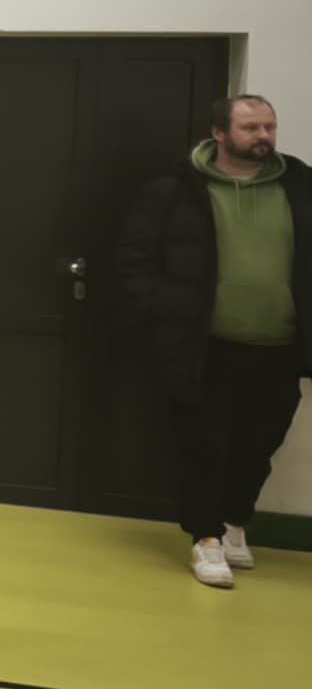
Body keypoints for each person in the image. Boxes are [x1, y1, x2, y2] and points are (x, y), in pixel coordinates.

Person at [117, 95, 312, 587]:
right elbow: (136, 260)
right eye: (250, 127)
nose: (263, 136)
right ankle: (205, 538)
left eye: (268, 126)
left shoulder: (301, 186)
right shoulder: (175, 191)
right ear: (220, 134)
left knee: (259, 445)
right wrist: (161, 314)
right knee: (202, 446)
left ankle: (234, 523)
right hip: (203, 347)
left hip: (280, 347)